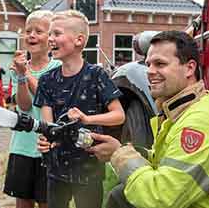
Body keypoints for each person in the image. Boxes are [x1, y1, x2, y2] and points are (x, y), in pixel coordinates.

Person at [88, 30, 209, 208]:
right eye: (148, 64)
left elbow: (159, 198)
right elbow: (165, 164)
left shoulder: (198, 121)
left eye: (160, 64)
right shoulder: (181, 111)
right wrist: (123, 150)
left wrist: (119, 154)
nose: (150, 71)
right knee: (120, 195)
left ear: (189, 68)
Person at [34, 9, 125, 208]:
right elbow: (47, 125)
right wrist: (45, 139)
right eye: (49, 34)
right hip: (56, 168)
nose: (50, 39)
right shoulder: (46, 80)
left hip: (89, 168)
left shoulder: (96, 75)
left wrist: (88, 119)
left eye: (56, 33)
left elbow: (119, 115)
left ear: (79, 40)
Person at [3, 10, 61, 208]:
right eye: (28, 31)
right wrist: (20, 76)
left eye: (38, 31)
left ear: (50, 38)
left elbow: (48, 98)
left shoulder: (58, 67)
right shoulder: (18, 68)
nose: (31, 35)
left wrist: (25, 73)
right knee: (23, 202)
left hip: (46, 147)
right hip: (22, 146)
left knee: (47, 202)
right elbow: (25, 105)